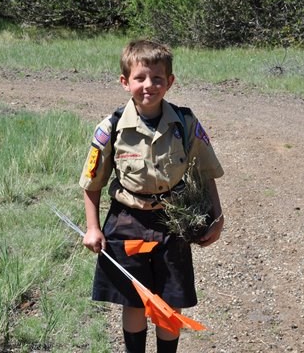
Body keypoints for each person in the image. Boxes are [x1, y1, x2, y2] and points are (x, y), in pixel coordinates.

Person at [79, 38, 224, 353]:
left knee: (170, 299)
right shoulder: (111, 128)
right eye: (140, 78)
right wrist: (93, 227)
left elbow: (205, 172)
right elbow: (92, 183)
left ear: (169, 82)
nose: (149, 85)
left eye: (157, 78)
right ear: (125, 82)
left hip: (172, 222)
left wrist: (217, 218)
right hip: (127, 221)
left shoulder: (184, 123)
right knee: (133, 299)